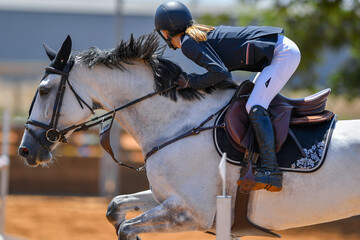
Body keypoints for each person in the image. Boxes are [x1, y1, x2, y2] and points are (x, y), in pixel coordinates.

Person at [154, 1, 301, 192]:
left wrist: (190, 82)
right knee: (253, 101)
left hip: (282, 54)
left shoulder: (188, 43)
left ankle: (271, 171)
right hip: (278, 50)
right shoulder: (194, 36)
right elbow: (223, 74)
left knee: (255, 105)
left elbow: (220, 73)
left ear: (165, 32)